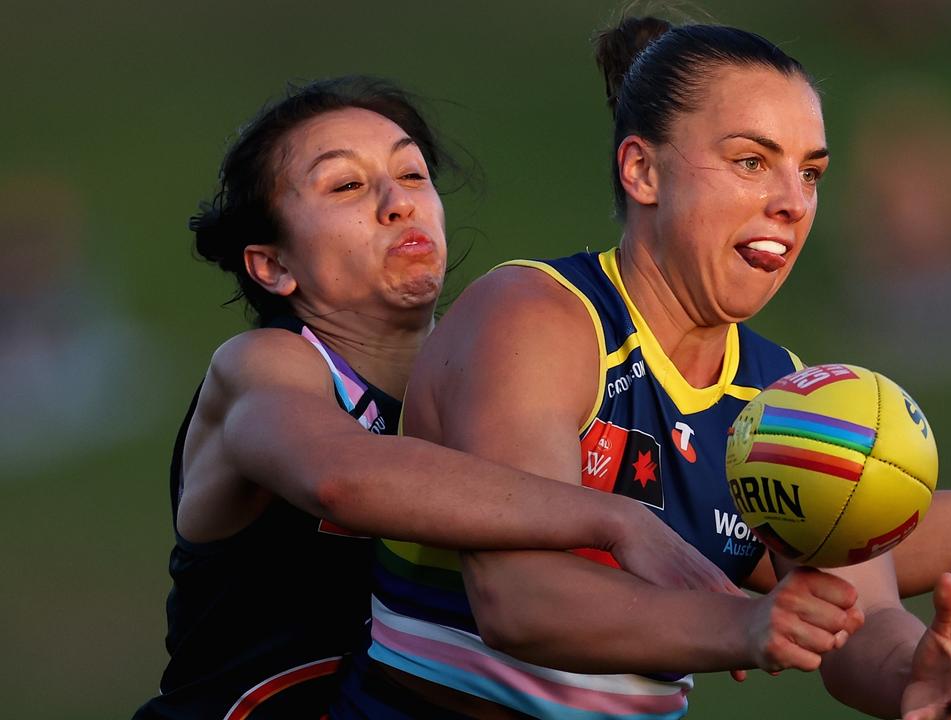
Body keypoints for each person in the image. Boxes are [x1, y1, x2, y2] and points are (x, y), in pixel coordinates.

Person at [330, 18, 951, 720]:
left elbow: (858, 609)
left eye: (811, 172)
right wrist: (747, 623)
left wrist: (915, 670)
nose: (791, 200)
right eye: (751, 161)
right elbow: (523, 602)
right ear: (642, 169)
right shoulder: (539, 318)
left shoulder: (782, 389)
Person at [132, 76, 738, 720]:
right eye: (345, 186)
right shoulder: (264, 368)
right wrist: (616, 520)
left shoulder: (490, 384)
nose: (398, 203)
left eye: (413, 175)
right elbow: (343, 479)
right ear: (272, 266)